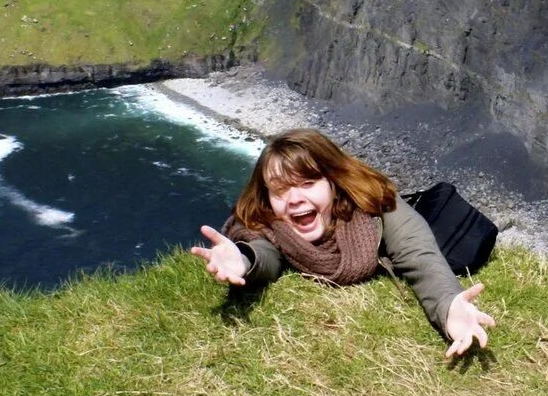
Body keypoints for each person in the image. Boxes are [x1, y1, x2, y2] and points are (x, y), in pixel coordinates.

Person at [191, 129, 496, 358]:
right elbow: (263, 252)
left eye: (308, 184)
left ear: (334, 183)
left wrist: (449, 307)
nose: (295, 199)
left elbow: (421, 258)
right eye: (280, 190)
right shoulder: (269, 221)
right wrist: (242, 259)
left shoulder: (378, 206)